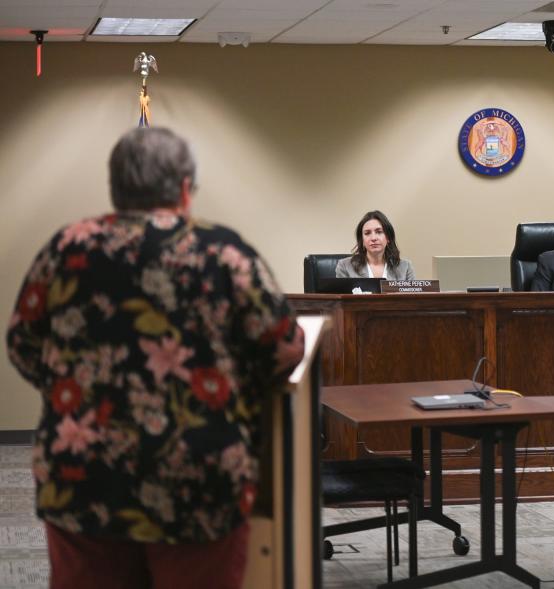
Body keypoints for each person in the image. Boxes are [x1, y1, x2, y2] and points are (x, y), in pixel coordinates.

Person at [6, 127, 305, 589]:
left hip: (82, 477)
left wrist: (78, 389)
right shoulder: (223, 252)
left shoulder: (66, 248)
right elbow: (283, 346)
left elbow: (22, 342)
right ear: (185, 188)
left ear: (115, 188)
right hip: (198, 480)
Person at [335, 210, 415, 280]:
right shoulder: (345, 266)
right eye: (367, 233)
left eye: (379, 232)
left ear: (388, 238)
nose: (373, 238)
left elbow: (411, 297)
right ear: (362, 240)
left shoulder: (405, 267)